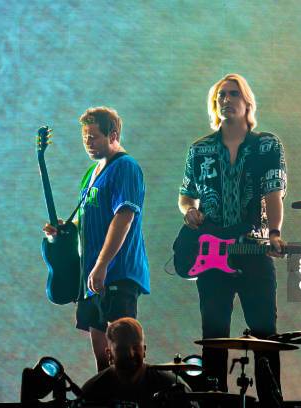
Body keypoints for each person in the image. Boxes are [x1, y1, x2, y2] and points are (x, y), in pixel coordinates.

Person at [178, 73, 287, 404]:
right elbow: (186, 195)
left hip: (253, 251)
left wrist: (275, 233)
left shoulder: (267, 145)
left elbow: (274, 193)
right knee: (213, 337)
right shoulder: (199, 150)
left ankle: (271, 401)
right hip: (212, 256)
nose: (226, 99)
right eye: (220, 95)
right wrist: (189, 211)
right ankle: (214, 401)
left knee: (264, 335)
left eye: (233, 94)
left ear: (247, 102)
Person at [43, 107, 149, 372]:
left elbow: (124, 218)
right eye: (85, 137)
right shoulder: (90, 175)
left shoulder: (126, 167)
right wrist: (63, 229)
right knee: (104, 366)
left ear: (113, 135)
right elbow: (85, 219)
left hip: (117, 274)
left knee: (125, 360)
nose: (88, 142)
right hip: (92, 279)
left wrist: (102, 265)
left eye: (94, 136)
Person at [81, 317, 194, 407]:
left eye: (135, 347)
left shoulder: (169, 384)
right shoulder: (92, 391)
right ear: (109, 354)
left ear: (144, 350)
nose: (130, 354)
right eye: (122, 348)